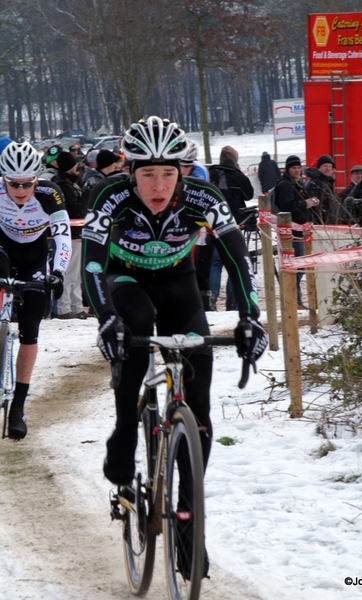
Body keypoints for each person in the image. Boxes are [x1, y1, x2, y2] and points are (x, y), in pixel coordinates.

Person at [81, 116, 267, 577]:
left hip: (180, 285)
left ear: (183, 172)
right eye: (148, 174)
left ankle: (187, 524)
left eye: (169, 174)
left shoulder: (206, 198)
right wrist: (107, 320)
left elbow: (237, 259)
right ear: (131, 173)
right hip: (127, 280)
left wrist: (249, 317)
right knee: (135, 328)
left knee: (199, 410)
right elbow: (92, 265)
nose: (159, 185)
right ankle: (125, 432)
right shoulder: (111, 198)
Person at [0, 142, 71, 438]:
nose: (20, 189)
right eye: (13, 183)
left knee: (31, 327)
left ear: (36, 179)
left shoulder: (49, 193)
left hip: (34, 258)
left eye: (27, 183)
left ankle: (18, 407)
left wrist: (57, 272)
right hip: (2, 251)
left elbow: (63, 234)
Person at [208, 146, 254, 310]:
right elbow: (249, 195)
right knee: (234, 263)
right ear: (235, 160)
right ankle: (232, 303)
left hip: (211, 224)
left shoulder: (211, 173)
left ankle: (211, 299)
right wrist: (239, 173)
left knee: (215, 264)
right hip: (234, 224)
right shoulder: (237, 177)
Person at [275, 155, 319, 309]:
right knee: (297, 267)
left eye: (298, 168)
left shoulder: (297, 183)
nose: (296, 170)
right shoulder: (285, 185)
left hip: (300, 229)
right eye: (293, 168)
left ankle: (295, 300)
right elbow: (287, 206)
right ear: (288, 169)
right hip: (292, 231)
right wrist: (305, 204)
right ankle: (294, 300)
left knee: (300, 266)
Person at [51, 151, 88, 319]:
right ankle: (64, 307)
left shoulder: (68, 182)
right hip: (70, 234)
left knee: (76, 273)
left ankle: (76, 305)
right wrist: (86, 198)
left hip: (75, 233)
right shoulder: (63, 185)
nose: (77, 168)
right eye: (74, 165)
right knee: (69, 272)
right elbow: (75, 210)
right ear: (68, 167)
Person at [179, 139, 215, 310]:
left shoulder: (200, 171)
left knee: (200, 261)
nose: (184, 169)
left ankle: (203, 298)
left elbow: (200, 198)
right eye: (181, 164)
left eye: (188, 165)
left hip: (196, 221)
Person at [304, 154, 342, 224]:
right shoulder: (317, 183)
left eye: (330, 166)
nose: (328, 169)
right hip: (323, 225)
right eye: (325, 166)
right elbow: (316, 207)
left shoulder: (325, 182)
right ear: (319, 167)